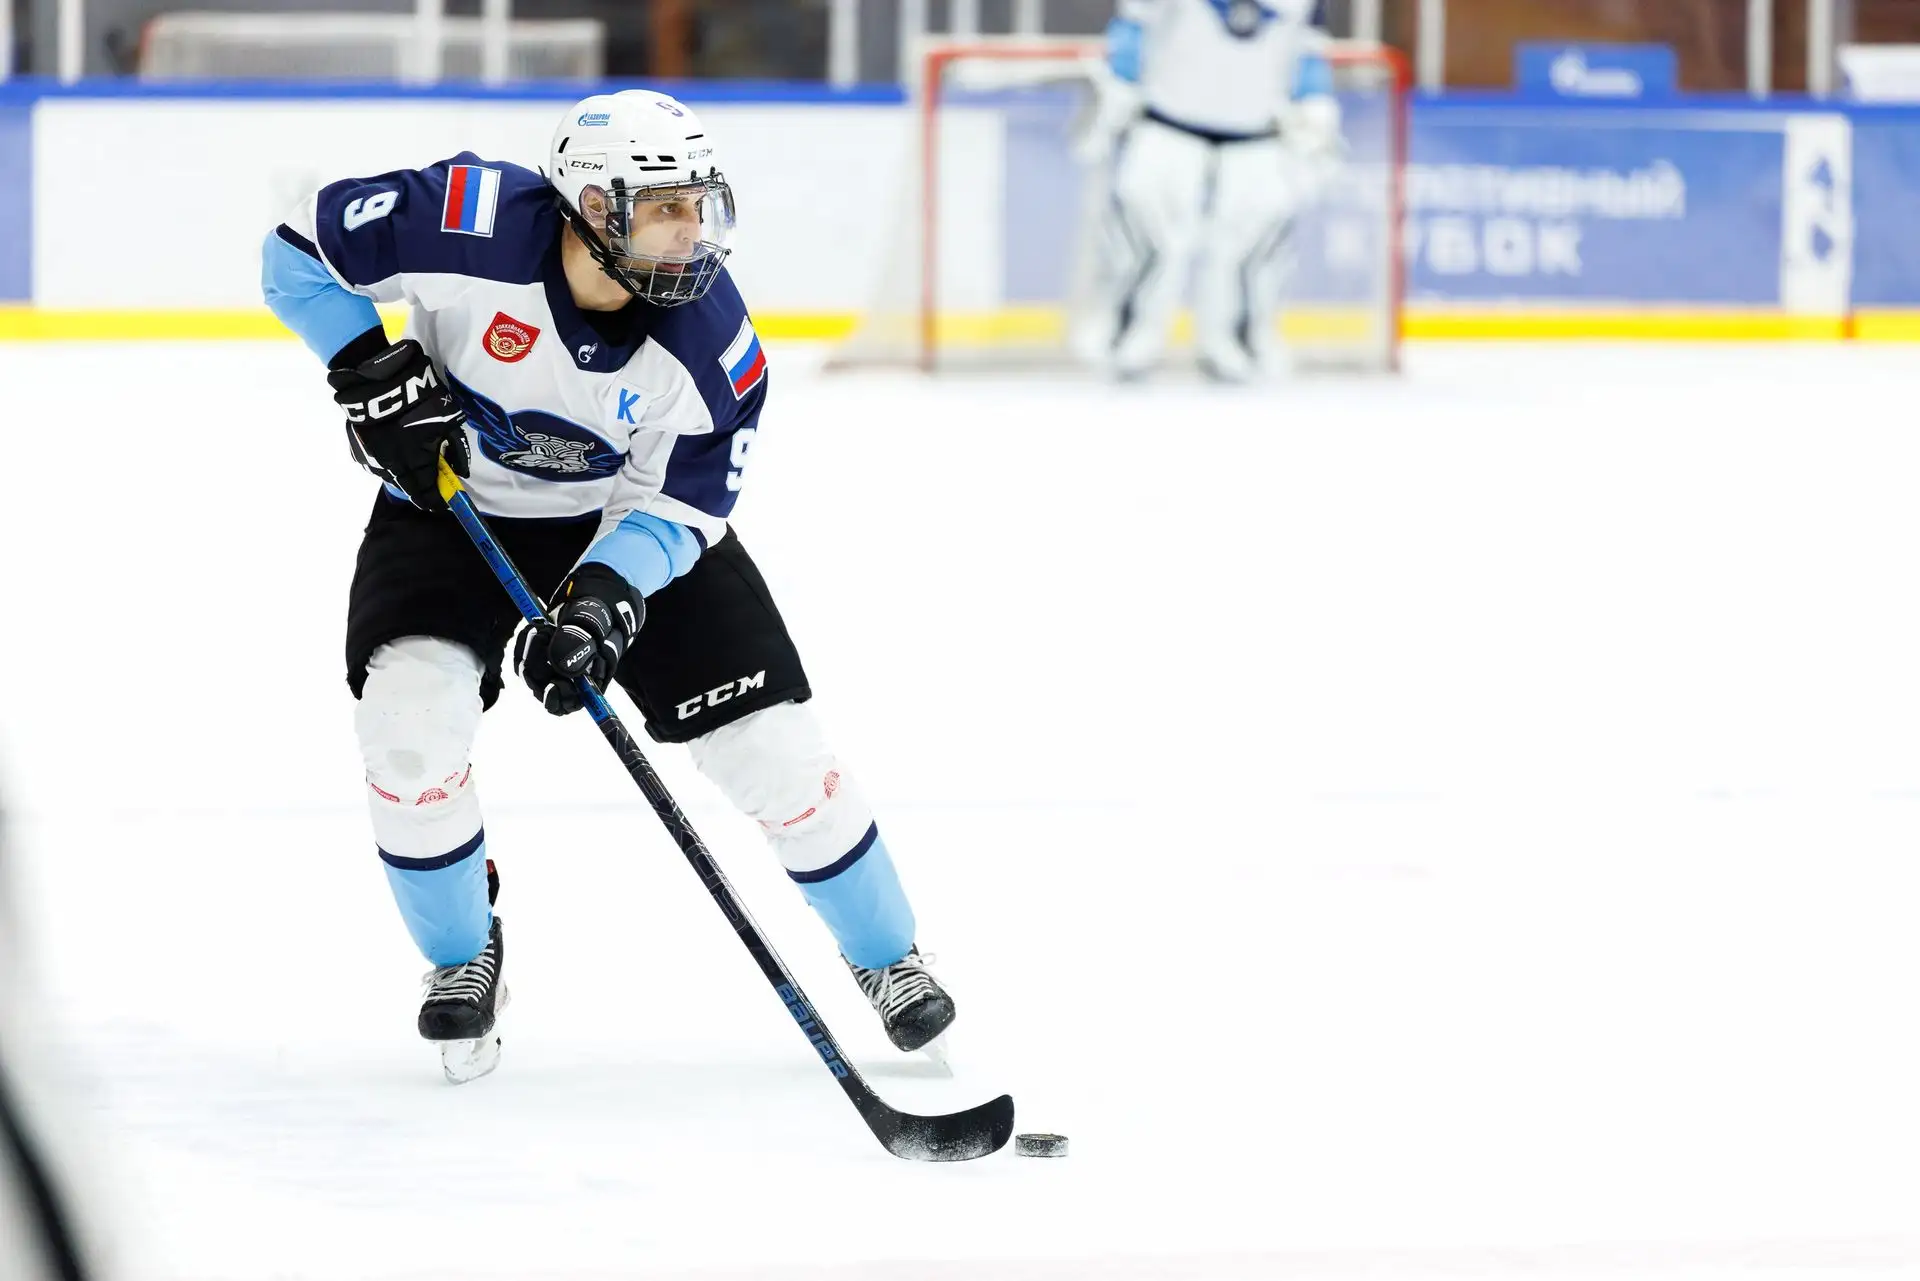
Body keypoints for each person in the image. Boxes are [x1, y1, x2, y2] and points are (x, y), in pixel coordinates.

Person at [261, 89, 956, 1083]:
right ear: (591, 206)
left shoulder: (712, 347)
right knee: (408, 735)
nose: (692, 233)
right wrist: (368, 366)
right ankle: (463, 957)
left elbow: (682, 505)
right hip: (449, 508)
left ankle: (889, 958)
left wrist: (603, 599)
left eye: (699, 206)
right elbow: (294, 250)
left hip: (618, 526)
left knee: (776, 754)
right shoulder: (466, 221)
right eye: (665, 208)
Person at [1073, 0, 1344, 382]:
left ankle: (1236, 343)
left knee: (1250, 249)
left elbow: (1307, 49)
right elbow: (1134, 25)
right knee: (1146, 238)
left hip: (1257, 133)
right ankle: (1129, 335)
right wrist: (1120, 80)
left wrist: (1315, 103)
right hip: (1166, 123)